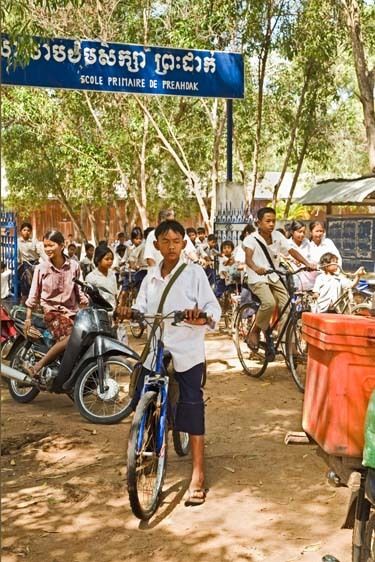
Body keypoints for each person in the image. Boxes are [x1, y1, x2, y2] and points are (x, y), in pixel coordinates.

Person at [119, 220, 221, 506]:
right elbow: (141, 308)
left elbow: (213, 310)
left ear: (184, 244)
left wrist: (199, 315)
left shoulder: (194, 273)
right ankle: (148, 450)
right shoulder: (150, 277)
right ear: (157, 245)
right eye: (166, 240)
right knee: (142, 396)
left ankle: (198, 473)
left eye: (177, 240)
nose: (172, 245)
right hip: (156, 348)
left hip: (187, 350)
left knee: (192, 404)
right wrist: (130, 311)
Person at [243, 207, 316, 351]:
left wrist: (306, 263)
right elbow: (248, 258)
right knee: (269, 303)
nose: (271, 224)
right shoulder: (251, 239)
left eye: (273, 221)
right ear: (258, 223)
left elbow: (291, 251)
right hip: (257, 278)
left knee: (288, 307)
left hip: (274, 276)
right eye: (268, 221)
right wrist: (256, 267)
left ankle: (285, 345)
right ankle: (255, 331)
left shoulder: (278, 236)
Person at [24, 230, 88, 377]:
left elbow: (81, 292)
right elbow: (33, 295)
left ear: (62, 245)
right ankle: (37, 366)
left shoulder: (74, 266)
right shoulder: (41, 268)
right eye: (45, 246)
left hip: (72, 313)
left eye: (51, 245)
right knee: (71, 337)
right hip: (51, 313)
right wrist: (28, 318)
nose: (47, 249)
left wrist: (88, 305)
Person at [17, 222, 44, 303]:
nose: (26, 232)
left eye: (28, 230)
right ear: (21, 231)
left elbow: (41, 252)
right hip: (25, 264)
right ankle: (26, 298)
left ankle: (38, 299)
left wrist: (48, 262)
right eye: (24, 230)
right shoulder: (17, 242)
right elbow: (16, 255)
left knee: (40, 279)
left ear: (31, 232)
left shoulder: (34, 241)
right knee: (27, 278)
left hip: (36, 263)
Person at [286, 220, 317, 291]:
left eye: (303, 232)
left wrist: (310, 264)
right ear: (292, 232)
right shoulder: (287, 244)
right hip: (293, 276)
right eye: (299, 232)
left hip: (307, 275)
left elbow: (311, 257)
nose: (302, 234)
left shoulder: (307, 242)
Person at [85, 245, 118, 311]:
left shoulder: (112, 275)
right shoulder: (91, 277)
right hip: (98, 312)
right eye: (107, 259)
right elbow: (88, 298)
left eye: (111, 259)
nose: (110, 261)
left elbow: (114, 295)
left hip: (112, 310)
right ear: (98, 259)